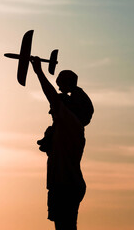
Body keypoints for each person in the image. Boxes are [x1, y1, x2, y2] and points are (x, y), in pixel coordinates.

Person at [30, 56, 94, 230]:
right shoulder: (63, 128)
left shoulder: (71, 124)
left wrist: (39, 72)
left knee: (65, 226)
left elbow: (53, 98)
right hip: (62, 184)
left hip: (67, 185)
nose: (52, 113)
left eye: (54, 111)